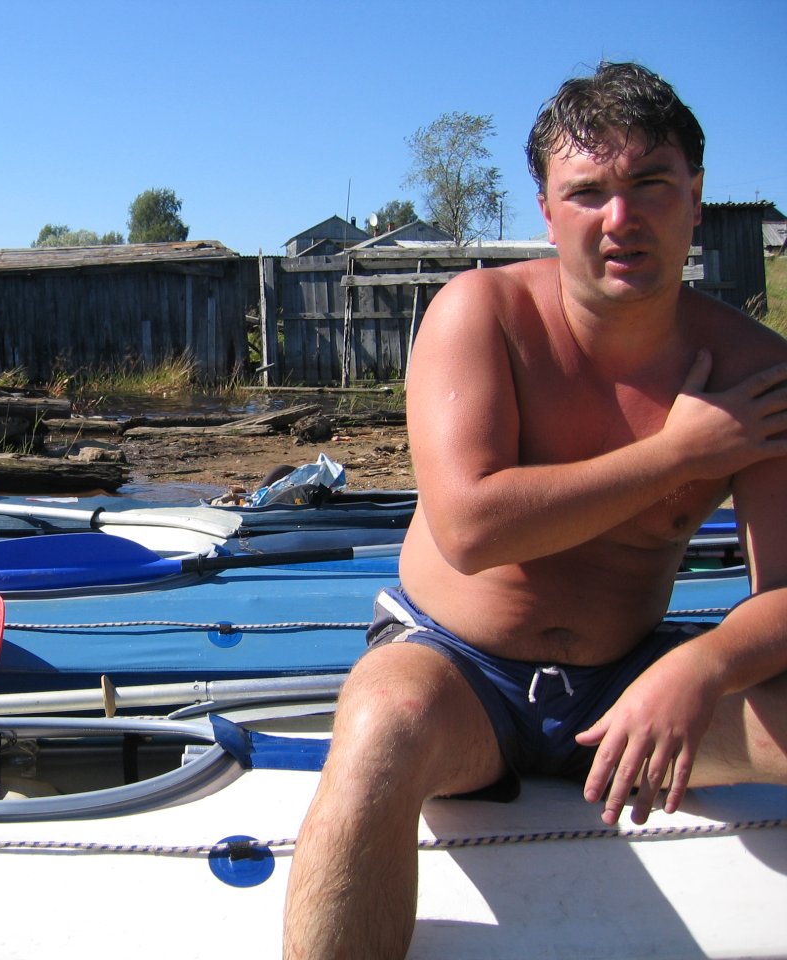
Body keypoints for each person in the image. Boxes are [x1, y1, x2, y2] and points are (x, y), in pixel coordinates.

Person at [283, 61, 787, 959]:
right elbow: (472, 529)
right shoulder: (481, 313)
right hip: (454, 671)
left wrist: (702, 668)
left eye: (651, 184)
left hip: (630, 682)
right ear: (549, 212)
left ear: (697, 198)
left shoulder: (756, 370)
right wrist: (678, 453)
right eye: (588, 193)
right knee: (379, 730)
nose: (620, 218)